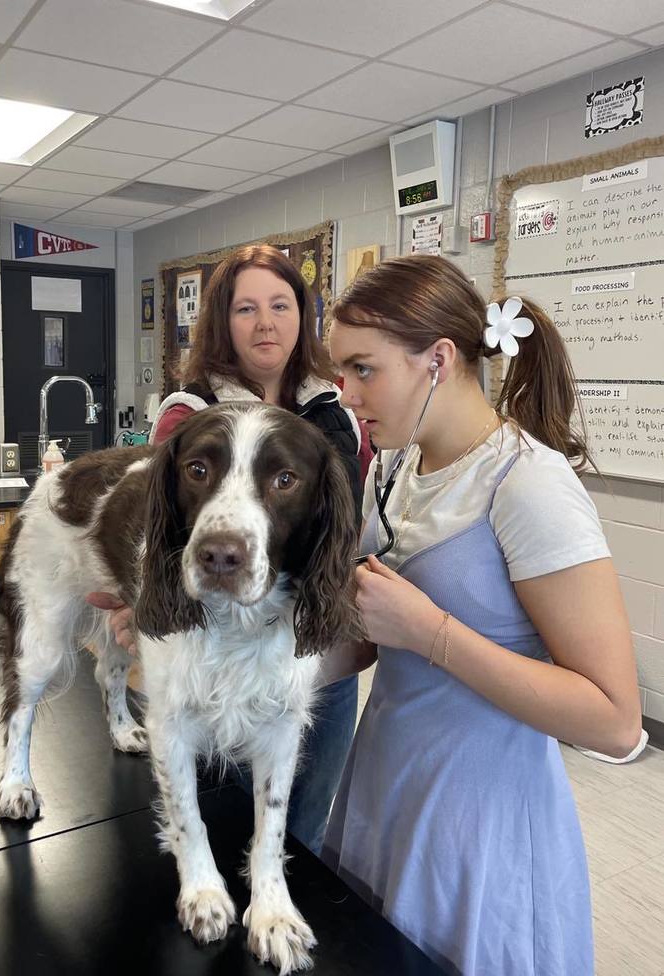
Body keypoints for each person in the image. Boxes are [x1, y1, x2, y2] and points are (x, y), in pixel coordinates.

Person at [320, 255, 642, 975]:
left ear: (437, 360)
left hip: (480, 816)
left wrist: (431, 634)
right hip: (385, 780)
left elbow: (615, 722)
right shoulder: (393, 469)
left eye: (362, 369)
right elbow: (364, 643)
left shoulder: (526, 482)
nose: (345, 393)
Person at [94, 243, 371, 857]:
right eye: (246, 308)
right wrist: (139, 598)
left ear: (303, 315)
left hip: (314, 645)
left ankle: (275, 902)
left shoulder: (339, 416)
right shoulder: (187, 415)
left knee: (304, 820)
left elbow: (351, 533)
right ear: (221, 320)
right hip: (209, 651)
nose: (266, 322)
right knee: (218, 813)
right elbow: (155, 526)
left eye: (280, 304)